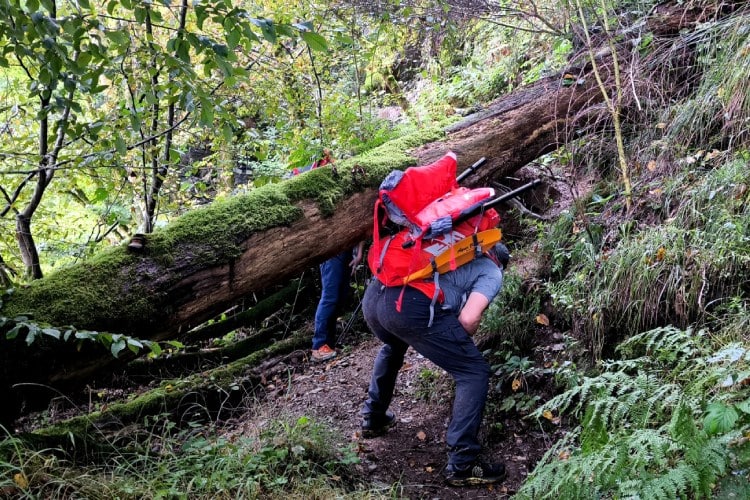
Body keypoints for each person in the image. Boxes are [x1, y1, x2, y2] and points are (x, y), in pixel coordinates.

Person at [359, 242, 510, 486]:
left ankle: (373, 417)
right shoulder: (491, 270)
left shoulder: (456, 248)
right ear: (500, 261)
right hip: (407, 306)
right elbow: (469, 318)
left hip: (376, 297)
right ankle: (463, 463)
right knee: (473, 372)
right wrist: (457, 344)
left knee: (394, 345)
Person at [311, 241, 365, 362]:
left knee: (339, 298)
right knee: (330, 298)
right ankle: (319, 346)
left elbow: (362, 229)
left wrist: (358, 253)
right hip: (331, 252)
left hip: (347, 251)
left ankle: (329, 345)